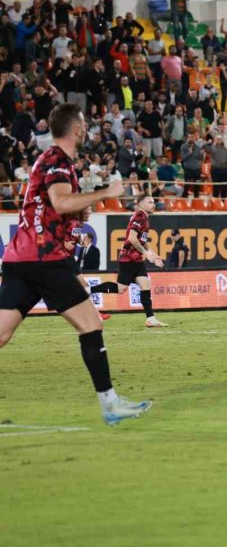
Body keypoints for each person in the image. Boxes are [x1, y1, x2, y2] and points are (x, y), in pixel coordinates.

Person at [0, 103, 152, 426]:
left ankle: (111, 404)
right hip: (44, 259)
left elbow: (52, 206)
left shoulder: (51, 160)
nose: (87, 130)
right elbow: (59, 201)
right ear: (78, 129)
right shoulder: (57, 160)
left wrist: (75, 213)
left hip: (21, 257)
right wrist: (102, 193)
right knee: (91, 325)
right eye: (85, 125)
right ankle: (110, 404)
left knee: (1, 334)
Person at [90, 194, 168, 327]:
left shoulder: (144, 218)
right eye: (149, 202)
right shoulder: (140, 216)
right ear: (140, 204)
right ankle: (88, 291)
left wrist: (153, 255)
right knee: (121, 288)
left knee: (145, 285)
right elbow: (132, 238)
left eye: (153, 202)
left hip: (137, 259)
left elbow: (141, 241)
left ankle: (150, 318)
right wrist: (145, 253)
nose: (153, 204)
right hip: (129, 258)